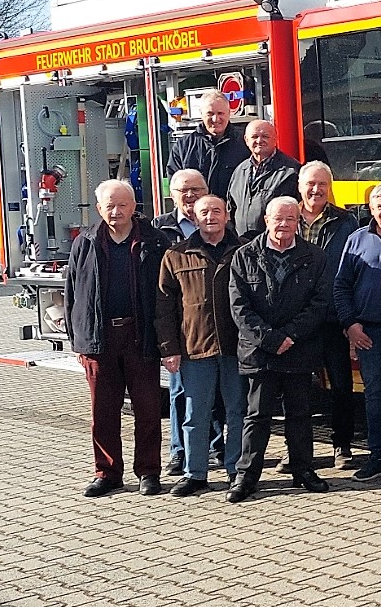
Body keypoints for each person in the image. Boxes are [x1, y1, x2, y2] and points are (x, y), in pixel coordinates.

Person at [66, 180, 171, 498]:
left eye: (122, 205)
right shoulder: (85, 242)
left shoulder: (154, 240)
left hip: (140, 336)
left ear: (134, 207)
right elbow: (72, 292)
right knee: (103, 412)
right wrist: (78, 339)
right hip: (100, 338)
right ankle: (107, 473)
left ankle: (149, 472)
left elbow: (167, 292)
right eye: (109, 206)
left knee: (148, 409)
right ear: (99, 208)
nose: (116, 211)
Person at [226, 197, 332, 502]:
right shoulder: (245, 255)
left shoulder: (315, 256)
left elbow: (320, 302)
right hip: (259, 351)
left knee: (300, 414)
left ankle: (303, 470)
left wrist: (290, 335)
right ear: (266, 220)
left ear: (298, 222)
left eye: (290, 219)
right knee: (257, 416)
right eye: (278, 218)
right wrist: (271, 339)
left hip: (299, 348)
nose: (283, 224)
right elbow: (239, 306)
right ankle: (246, 476)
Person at [156, 195, 246, 496]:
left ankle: (237, 471)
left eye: (216, 211)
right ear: (194, 218)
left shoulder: (243, 252)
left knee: (238, 412)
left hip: (236, 347)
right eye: (204, 212)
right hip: (195, 347)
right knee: (195, 414)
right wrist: (169, 348)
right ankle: (195, 474)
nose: (211, 217)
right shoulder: (176, 255)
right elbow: (164, 307)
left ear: (227, 216)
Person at [335, 183, 381, 482]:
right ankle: (380, 458)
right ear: (371, 210)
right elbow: (341, 285)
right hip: (369, 333)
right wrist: (350, 324)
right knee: (375, 396)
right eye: (380, 206)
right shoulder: (357, 239)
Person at [292, 161, 358, 470]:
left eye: (322, 184)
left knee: (341, 386)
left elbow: (353, 271)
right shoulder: (287, 217)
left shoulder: (346, 222)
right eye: (310, 184)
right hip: (297, 320)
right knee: (297, 389)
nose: (316, 190)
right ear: (299, 187)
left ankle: (342, 446)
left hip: (332, 318)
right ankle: (297, 450)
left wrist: (350, 317)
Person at [152, 169, 210, 478]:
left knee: (212, 393)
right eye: (183, 190)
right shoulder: (158, 229)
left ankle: (213, 447)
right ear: (172, 195)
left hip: (210, 325)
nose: (190, 195)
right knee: (178, 393)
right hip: (179, 325)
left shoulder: (219, 223)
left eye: (196, 189)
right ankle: (179, 451)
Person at [166, 91, 249, 200]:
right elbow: (176, 186)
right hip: (196, 210)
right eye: (210, 114)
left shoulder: (245, 143)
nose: (215, 119)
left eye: (220, 113)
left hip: (233, 210)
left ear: (229, 113)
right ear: (201, 114)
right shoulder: (183, 147)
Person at [225, 120, 300, 240]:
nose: (259, 141)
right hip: (242, 245)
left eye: (265, 136)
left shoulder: (292, 171)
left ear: (275, 138)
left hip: (275, 244)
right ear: (246, 140)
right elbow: (231, 208)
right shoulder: (239, 171)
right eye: (254, 137)